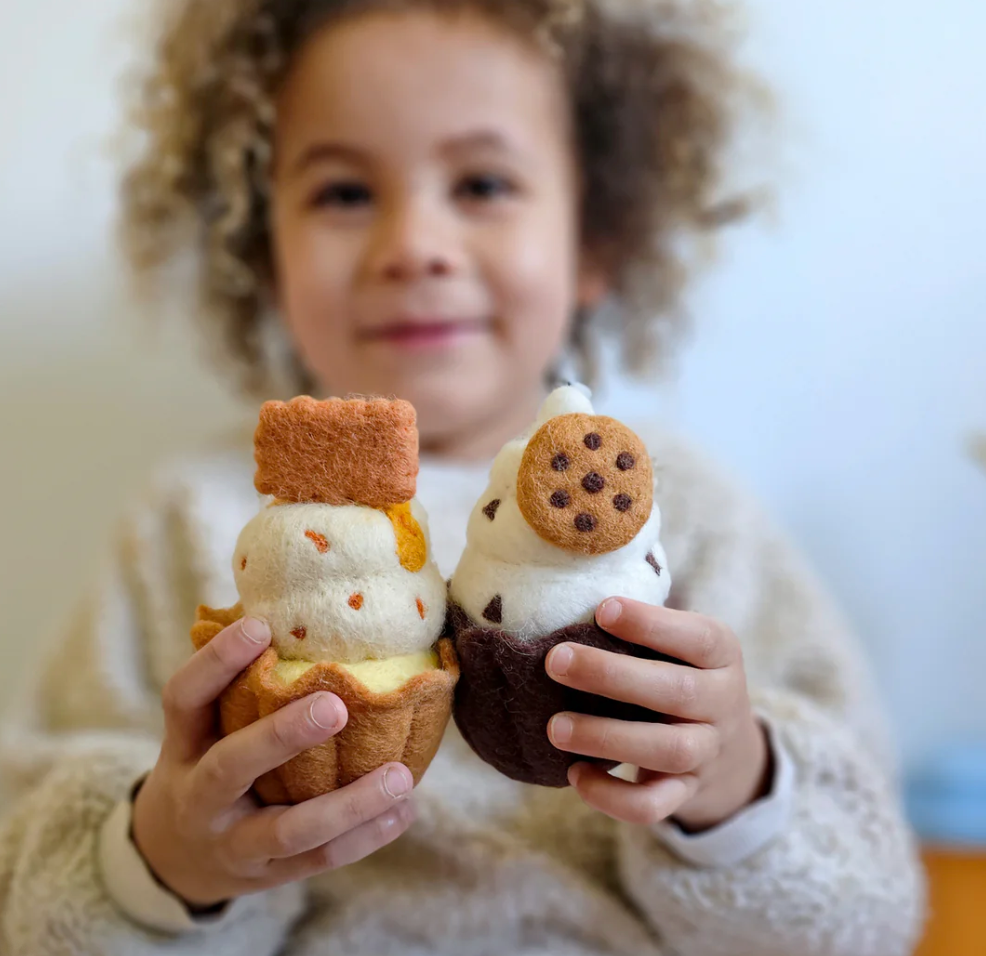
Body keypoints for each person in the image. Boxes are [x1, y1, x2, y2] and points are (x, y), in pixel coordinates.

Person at [0, 0, 926, 953]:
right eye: (344, 194)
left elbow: (862, 916)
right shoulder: (188, 522)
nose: (413, 246)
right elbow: (36, 895)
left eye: (482, 182)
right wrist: (161, 866)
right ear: (262, 252)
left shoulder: (686, 516)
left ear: (594, 241)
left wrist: (733, 788)